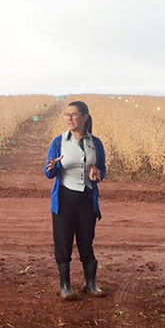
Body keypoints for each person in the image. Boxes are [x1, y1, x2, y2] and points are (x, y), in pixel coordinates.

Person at [43, 100, 108, 299]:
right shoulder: (59, 141)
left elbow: (102, 171)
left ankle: (91, 284)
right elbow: (49, 173)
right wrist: (52, 167)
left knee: (86, 241)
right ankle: (65, 286)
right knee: (63, 242)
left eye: (74, 114)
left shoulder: (95, 143)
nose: (69, 118)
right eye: (66, 115)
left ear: (85, 117)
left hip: (87, 199)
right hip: (64, 199)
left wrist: (97, 174)